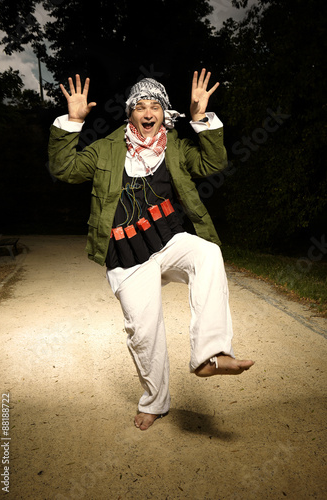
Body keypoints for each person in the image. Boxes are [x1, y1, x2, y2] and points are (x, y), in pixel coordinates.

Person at [48, 69, 254, 431]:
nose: (148, 113)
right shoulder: (107, 148)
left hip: (168, 240)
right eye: (140, 106)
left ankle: (210, 354)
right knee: (143, 333)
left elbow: (213, 163)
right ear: (130, 113)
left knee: (207, 253)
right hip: (125, 254)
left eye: (155, 106)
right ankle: (156, 401)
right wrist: (73, 122)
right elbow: (64, 169)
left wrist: (200, 118)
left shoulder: (174, 145)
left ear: (163, 112)